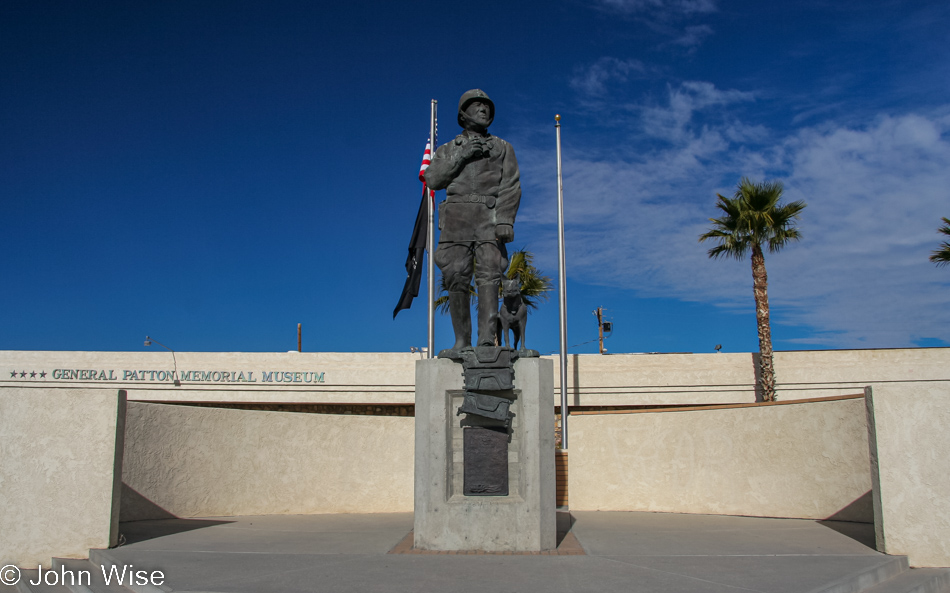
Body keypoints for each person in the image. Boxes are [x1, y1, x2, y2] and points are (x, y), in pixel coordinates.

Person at [424, 89, 521, 352]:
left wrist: (505, 220)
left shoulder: (502, 148)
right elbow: (433, 179)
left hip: (489, 219)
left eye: (487, 106)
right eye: (477, 106)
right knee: (456, 276)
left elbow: (511, 186)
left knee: (489, 275)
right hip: (456, 219)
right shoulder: (447, 149)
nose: (484, 110)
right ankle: (462, 342)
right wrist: (461, 156)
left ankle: (487, 339)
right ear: (463, 114)